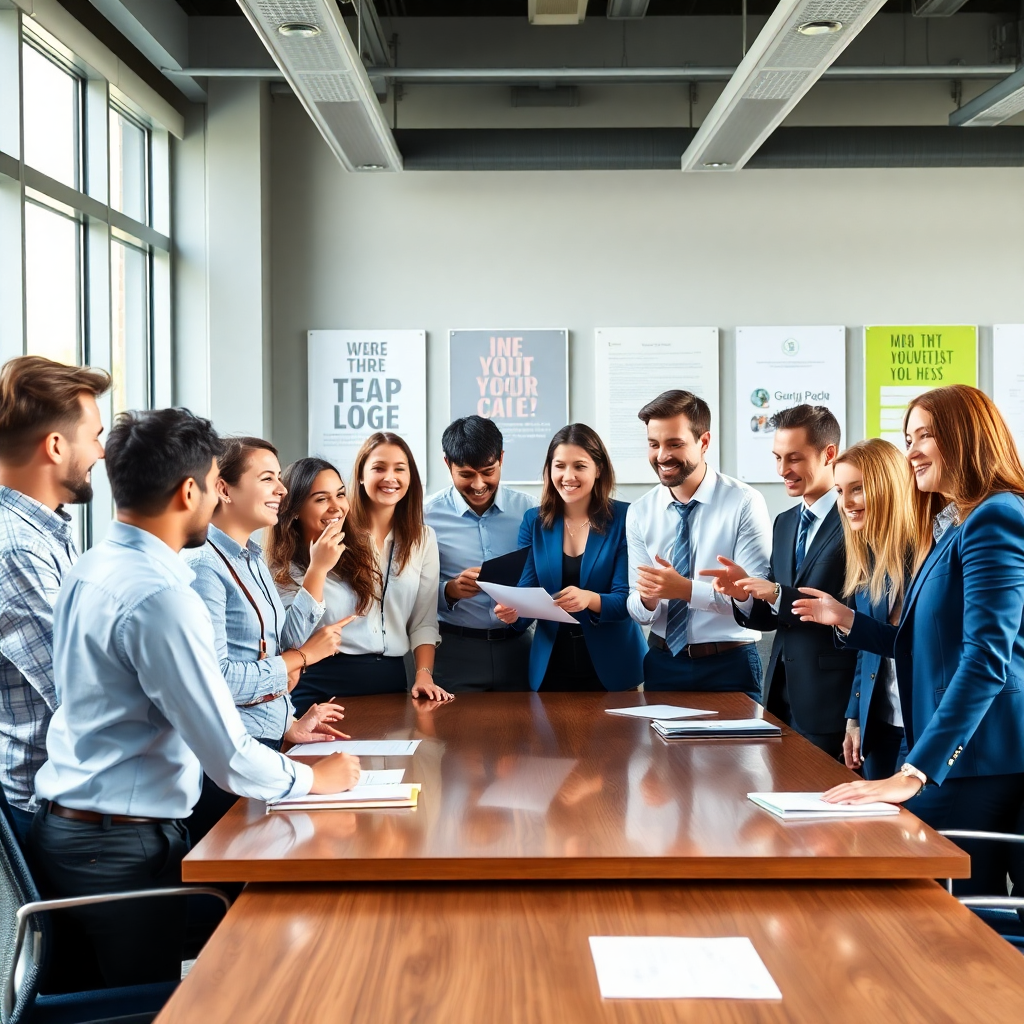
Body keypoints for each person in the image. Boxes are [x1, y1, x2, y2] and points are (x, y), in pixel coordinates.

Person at [30, 408, 361, 987]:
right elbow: (227, 753)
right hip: (121, 845)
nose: (216, 497)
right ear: (190, 492)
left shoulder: (91, 566)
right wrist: (317, 779)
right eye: (213, 484)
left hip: (77, 833)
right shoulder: (162, 594)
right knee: (154, 1001)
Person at [794, 386, 1024, 896]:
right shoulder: (952, 526)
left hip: (981, 757)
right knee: (956, 904)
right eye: (908, 438)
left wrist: (915, 771)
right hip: (962, 756)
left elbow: (986, 658)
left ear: (965, 438)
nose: (912, 451)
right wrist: (850, 623)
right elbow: (916, 643)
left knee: (937, 897)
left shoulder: (995, 516)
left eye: (925, 436)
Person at [185, 436, 359, 841]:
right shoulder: (204, 566)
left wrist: (288, 724)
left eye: (279, 478)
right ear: (224, 489)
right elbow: (220, 680)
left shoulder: (251, 558)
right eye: (267, 479)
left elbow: (276, 647)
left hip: (265, 742)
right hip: (230, 758)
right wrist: (304, 657)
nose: (281, 489)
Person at [705, 405, 856, 759]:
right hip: (780, 697)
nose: (782, 470)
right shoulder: (785, 522)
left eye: (794, 458)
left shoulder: (855, 519)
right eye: (777, 458)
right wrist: (743, 594)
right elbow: (773, 616)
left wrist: (774, 592)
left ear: (829, 454)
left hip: (832, 701)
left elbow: (852, 610)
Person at [0, 356, 109, 846]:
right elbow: (85, 689)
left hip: (73, 796)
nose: (101, 452)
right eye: (95, 436)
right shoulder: (17, 548)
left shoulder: (45, 534)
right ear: (56, 445)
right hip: (46, 808)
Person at [269, 436, 452, 709]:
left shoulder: (420, 539)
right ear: (361, 476)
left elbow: (423, 620)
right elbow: (290, 640)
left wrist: (423, 674)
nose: (335, 506)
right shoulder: (299, 555)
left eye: (339, 494)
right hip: (319, 678)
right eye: (379, 467)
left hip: (389, 678)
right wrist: (318, 568)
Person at [625, 390, 771, 698]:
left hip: (730, 664)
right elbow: (637, 609)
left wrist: (685, 590)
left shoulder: (744, 503)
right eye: (654, 444)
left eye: (674, 444)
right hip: (663, 663)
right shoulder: (639, 512)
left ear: (704, 442)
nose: (662, 456)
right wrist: (649, 599)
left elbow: (754, 602)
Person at [493, 424, 645, 691]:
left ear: (599, 469)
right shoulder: (534, 521)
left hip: (614, 666)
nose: (568, 476)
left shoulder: (624, 517)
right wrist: (513, 613)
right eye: (560, 466)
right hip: (552, 667)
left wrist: (589, 599)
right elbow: (527, 591)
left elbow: (628, 601)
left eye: (579, 466)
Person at [424, 416, 537, 692]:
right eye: (466, 474)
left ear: (501, 459)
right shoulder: (425, 517)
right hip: (453, 652)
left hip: (520, 649)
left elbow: (545, 577)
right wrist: (449, 591)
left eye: (488, 471)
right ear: (448, 464)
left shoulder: (531, 511)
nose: (478, 484)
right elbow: (408, 592)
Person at [832, 439, 915, 780]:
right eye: (840, 491)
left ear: (889, 489)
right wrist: (854, 716)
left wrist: (844, 618)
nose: (846, 503)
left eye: (858, 489)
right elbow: (866, 649)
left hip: (922, 723)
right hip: (879, 723)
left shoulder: (931, 554)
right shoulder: (867, 557)